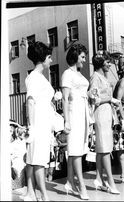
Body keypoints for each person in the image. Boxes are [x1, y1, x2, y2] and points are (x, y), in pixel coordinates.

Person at [24, 41, 54, 201]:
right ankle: (44, 194)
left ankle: (30, 192)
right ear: (43, 59)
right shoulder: (34, 77)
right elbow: (30, 101)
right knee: (39, 160)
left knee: (32, 158)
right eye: (49, 57)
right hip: (38, 124)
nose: (50, 60)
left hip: (43, 121)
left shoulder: (40, 77)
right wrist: (32, 127)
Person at [88, 50, 120, 194]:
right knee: (105, 148)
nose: (109, 65)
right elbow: (93, 99)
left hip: (106, 113)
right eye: (107, 62)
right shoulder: (95, 77)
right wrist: (110, 99)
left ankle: (99, 179)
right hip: (100, 113)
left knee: (103, 148)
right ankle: (110, 182)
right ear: (101, 63)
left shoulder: (102, 77)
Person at [61, 43, 90, 200]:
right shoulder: (67, 74)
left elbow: (83, 92)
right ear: (75, 56)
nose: (84, 60)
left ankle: (69, 182)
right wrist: (66, 120)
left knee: (77, 149)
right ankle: (81, 185)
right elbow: (64, 99)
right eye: (82, 57)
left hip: (83, 112)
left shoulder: (79, 75)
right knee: (76, 150)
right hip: (73, 114)